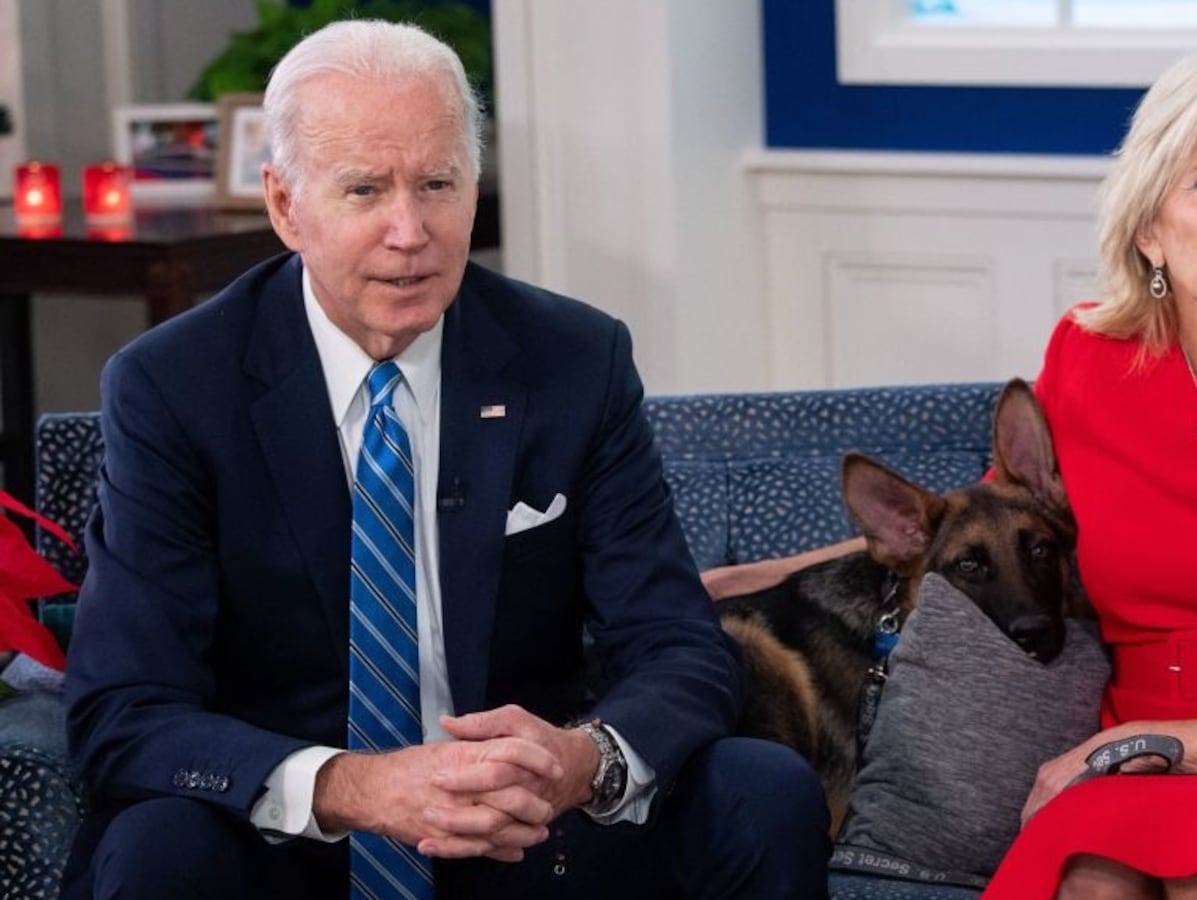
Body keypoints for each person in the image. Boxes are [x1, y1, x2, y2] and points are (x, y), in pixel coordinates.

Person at [62, 19, 829, 900]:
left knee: (760, 794)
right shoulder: (173, 387)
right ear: (284, 206)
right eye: (364, 190)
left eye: (438, 184)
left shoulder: (575, 361)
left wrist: (585, 760)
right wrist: (355, 787)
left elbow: (676, 645)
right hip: (289, 839)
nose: (410, 231)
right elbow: (122, 710)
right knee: (157, 847)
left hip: (525, 832)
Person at [706, 51, 1197, 900]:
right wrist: (750, 577)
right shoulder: (1090, 359)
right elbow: (966, 527)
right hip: (1138, 765)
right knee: (1089, 877)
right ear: (1150, 225)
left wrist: (1173, 744)